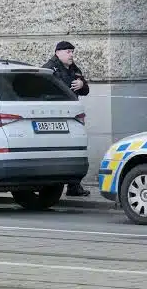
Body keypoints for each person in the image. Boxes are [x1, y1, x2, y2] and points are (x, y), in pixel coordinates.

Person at [42, 41, 91, 197]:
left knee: (74, 149)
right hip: (55, 115)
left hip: (72, 115)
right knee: (55, 150)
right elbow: (45, 91)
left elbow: (86, 90)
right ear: (58, 52)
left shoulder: (74, 69)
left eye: (72, 52)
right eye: (68, 52)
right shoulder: (49, 69)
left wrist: (81, 84)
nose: (71, 55)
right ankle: (49, 186)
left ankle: (74, 186)